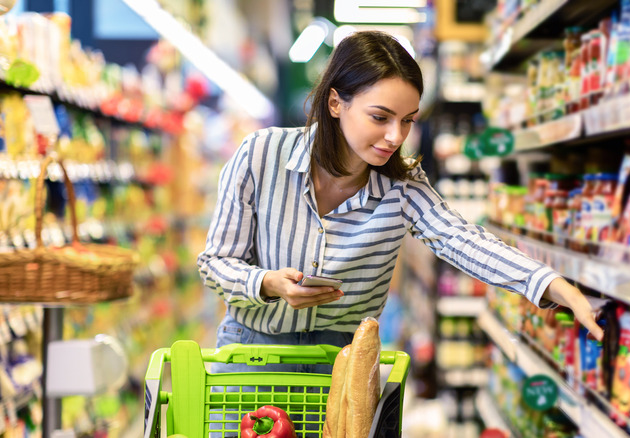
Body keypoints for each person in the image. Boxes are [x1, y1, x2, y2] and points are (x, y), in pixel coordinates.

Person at [197, 31, 603, 376]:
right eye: (380, 117)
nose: (396, 136)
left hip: (344, 366)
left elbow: (463, 240)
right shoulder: (262, 154)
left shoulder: (403, 184)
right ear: (336, 103)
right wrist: (267, 284)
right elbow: (215, 262)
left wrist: (553, 286)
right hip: (251, 355)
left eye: (408, 120)